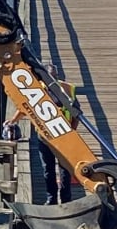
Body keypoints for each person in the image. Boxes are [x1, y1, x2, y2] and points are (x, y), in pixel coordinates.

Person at [4, 63, 79, 205]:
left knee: (65, 170)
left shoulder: (67, 89)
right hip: (44, 137)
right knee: (48, 170)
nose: (51, 80)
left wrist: (72, 132)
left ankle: (66, 200)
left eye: (54, 77)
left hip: (64, 136)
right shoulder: (38, 90)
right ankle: (51, 199)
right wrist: (12, 121)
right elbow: (24, 108)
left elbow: (76, 114)